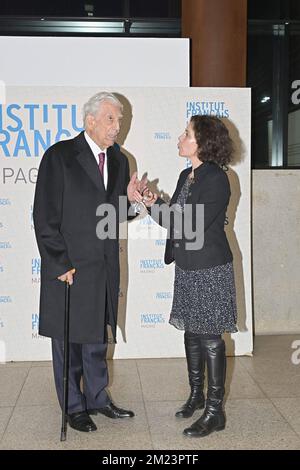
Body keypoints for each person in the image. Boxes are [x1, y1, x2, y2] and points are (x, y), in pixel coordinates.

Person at [33, 92, 143, 433]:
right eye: (111, 119)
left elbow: (111, 214)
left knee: (96, 337)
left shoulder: (121, 160)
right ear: (90, 120)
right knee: (68, 343)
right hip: (70, 267)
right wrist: (57, 262)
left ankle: (97, 398)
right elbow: (44, 215)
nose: (117, 127)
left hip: (103, 266)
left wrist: (135, 203)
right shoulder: (61, 156)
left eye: (120, 120)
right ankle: (73, 406)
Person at [133, 115, 237, 438]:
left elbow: (190, 223)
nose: (180, 137)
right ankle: (196, 395)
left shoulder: (217, 179)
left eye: (187, 133)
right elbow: (176, 217)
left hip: (210, 268)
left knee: (210, 338)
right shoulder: (185, 175)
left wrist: (154, 207)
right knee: (191, 332)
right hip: (188, 266)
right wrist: (152, 201)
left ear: (202, 143)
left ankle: (215, 410)